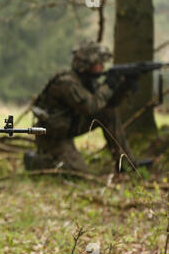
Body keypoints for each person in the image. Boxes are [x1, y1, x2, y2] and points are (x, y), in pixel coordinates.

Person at [24, 40, 136, 173]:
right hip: (52, 136)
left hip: (68, 127)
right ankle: (36, 162)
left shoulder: (86, 80)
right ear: (86, 64)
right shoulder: (67, 83)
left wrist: (124, 87)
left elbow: (105, 106)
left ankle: (126, 164)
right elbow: (91, 107)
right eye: (98, 63)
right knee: (78, 172)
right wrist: (108, 85)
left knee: (109, 114)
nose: (102, 66)